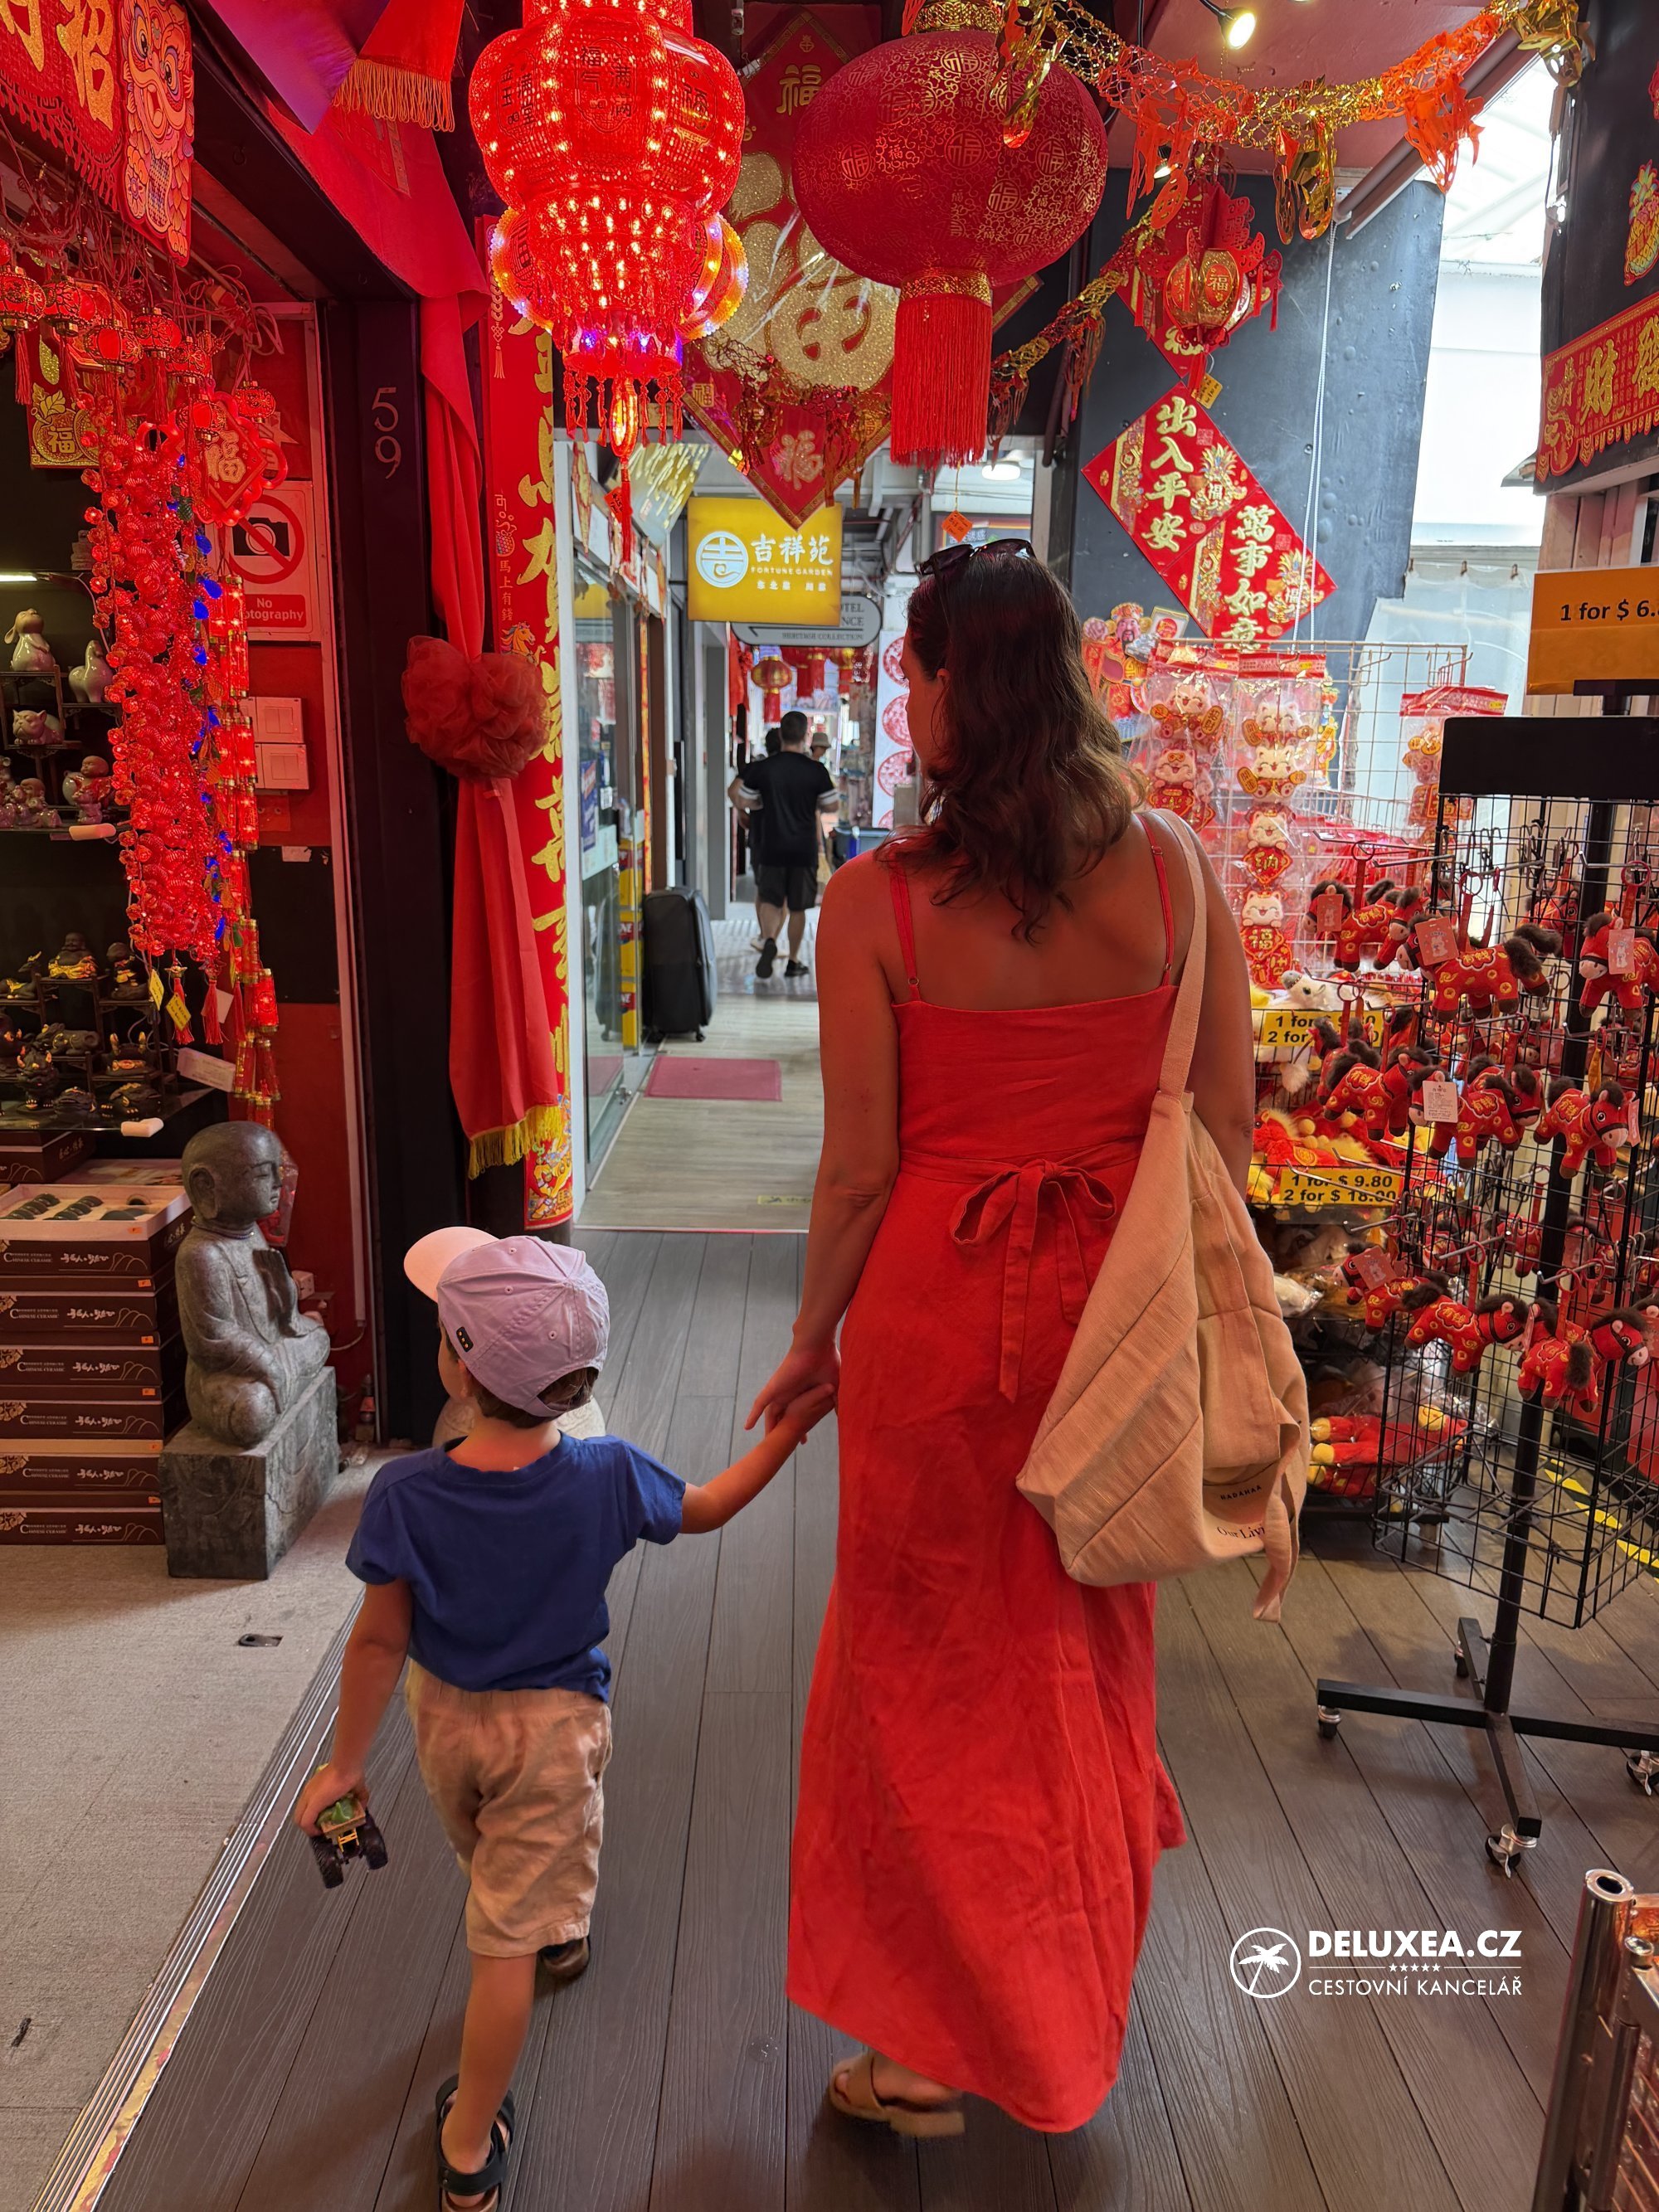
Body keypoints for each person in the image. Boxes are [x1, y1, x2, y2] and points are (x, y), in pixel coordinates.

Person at [747, 542, 1255, 2139]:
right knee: (1080, 1663)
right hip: (1116, 1319)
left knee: (921, 1668)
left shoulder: (875, 904)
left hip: (935, 1321)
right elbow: (1227, 1128)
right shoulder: (1176, 875)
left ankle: (922, 2051)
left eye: (913, 672)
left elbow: (858, 1170)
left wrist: (810, 1343)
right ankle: (1060, 2011)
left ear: (945, 687)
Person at [294, 1233, 832, 2212]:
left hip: (442, 1723)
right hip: (552, 1729)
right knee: (503, 1943)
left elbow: (376, 1643)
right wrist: (785, 1435)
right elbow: (708, 1506)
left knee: (490, 1868)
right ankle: (468, 2145)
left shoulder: (403, 1494)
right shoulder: (609, 1474)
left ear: (459, 1369)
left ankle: (546, 1932)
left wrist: (343, 1765)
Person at [728, 708, 837, 980]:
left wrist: (756, 804)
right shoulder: (815, 770)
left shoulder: (764, 769)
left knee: (770, 900)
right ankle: (793, 961)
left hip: (771, 846)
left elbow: (740, 797)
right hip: (803, 849)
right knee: (798, 908)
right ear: (805, 736)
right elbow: (832, 805)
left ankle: (769, 940)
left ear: (781, 735)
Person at [744, 722, 782, 952]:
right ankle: (772, 939)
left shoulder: (757, 770)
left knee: (763, 889)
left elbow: (735, 793)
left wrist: (743, 813)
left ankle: (764, 936)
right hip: (785, 839)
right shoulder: (789, 771)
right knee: (783, 894)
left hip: (760, 837)